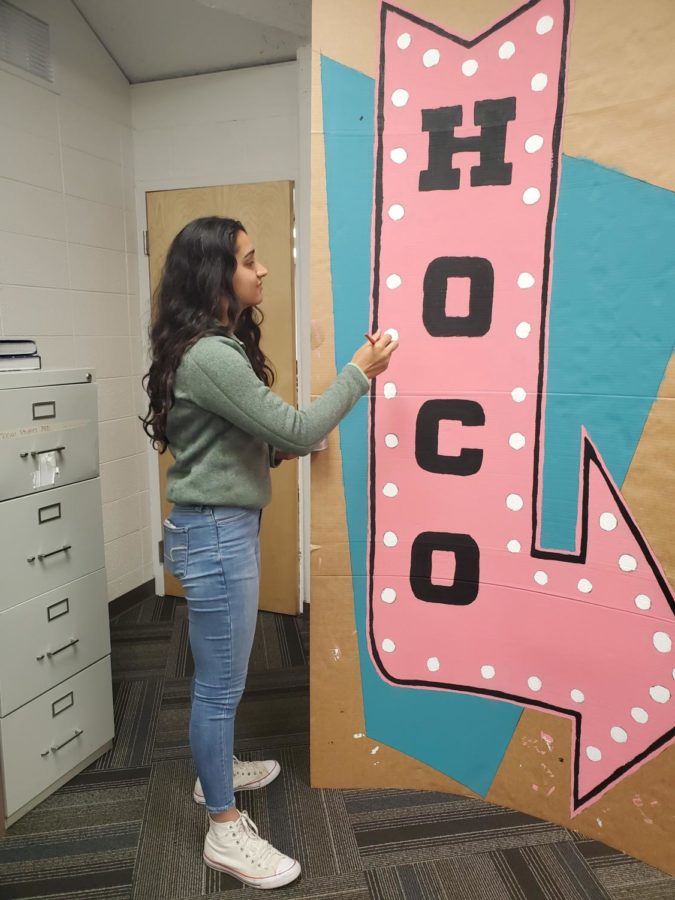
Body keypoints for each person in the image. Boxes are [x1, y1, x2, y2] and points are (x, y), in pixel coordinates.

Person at [141, 216, 397, 890]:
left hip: (217, 530)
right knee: (219, 689)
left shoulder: (211, 348)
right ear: (214, 275)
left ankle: (213, 774)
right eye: (249, 260)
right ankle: (223, 828)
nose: (261, 271)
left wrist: (266, 448)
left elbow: (240, 439)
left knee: (222, 681)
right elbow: (302, 427)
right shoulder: (211, 355)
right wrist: (358, 372)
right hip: (215, 537)